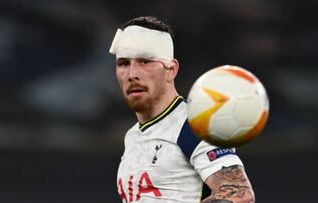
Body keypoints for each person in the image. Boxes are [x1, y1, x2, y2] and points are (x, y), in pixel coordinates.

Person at [109, 16, 255, 203]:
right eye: (123, 64)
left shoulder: (195, 125)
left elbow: (240, 195)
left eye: (145, 61)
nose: (132, 74)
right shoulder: (132, 136)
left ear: (171, 70)